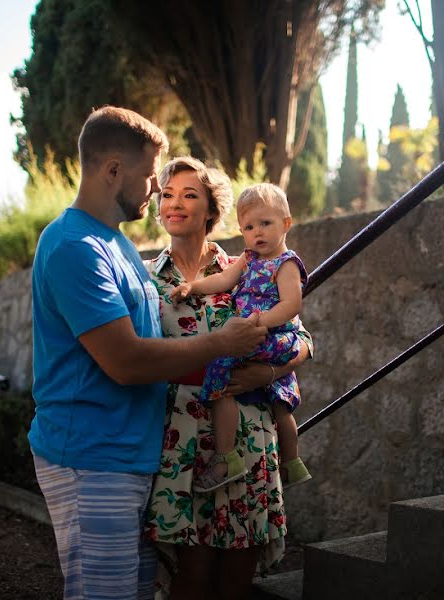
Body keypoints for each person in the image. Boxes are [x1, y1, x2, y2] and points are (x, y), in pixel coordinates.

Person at [28, 108, 266, 600]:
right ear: (114, 170)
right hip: (92, 458)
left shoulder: (114, 244)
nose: (156, 189)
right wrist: (222, 345)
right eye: (151, 174)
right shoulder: (75, 247)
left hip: (133, 460)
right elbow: (127, 361)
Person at [143, 157, 313, 600]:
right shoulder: (144, 280)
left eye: (189, 194)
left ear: (212, 210)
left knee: (238, 579)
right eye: (167, 194)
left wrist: (272, 370)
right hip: (180, 443)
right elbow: (137, 356)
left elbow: (304, 339)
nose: (175, 203)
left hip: (249, 440)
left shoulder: (251, 263)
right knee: (191, 577)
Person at [169, 183, 311, 493]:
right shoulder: (248, 259)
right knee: (280, 402)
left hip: (266, 336)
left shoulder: (285, 264)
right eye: (248, 227)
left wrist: (256, 322)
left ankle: (226, 457)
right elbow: (224, 278)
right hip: (259, 337)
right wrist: (192, 286)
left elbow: (292, 305)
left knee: (219, 376)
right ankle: (292, 464)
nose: (257, 232)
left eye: (265, 223)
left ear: (286, 224)